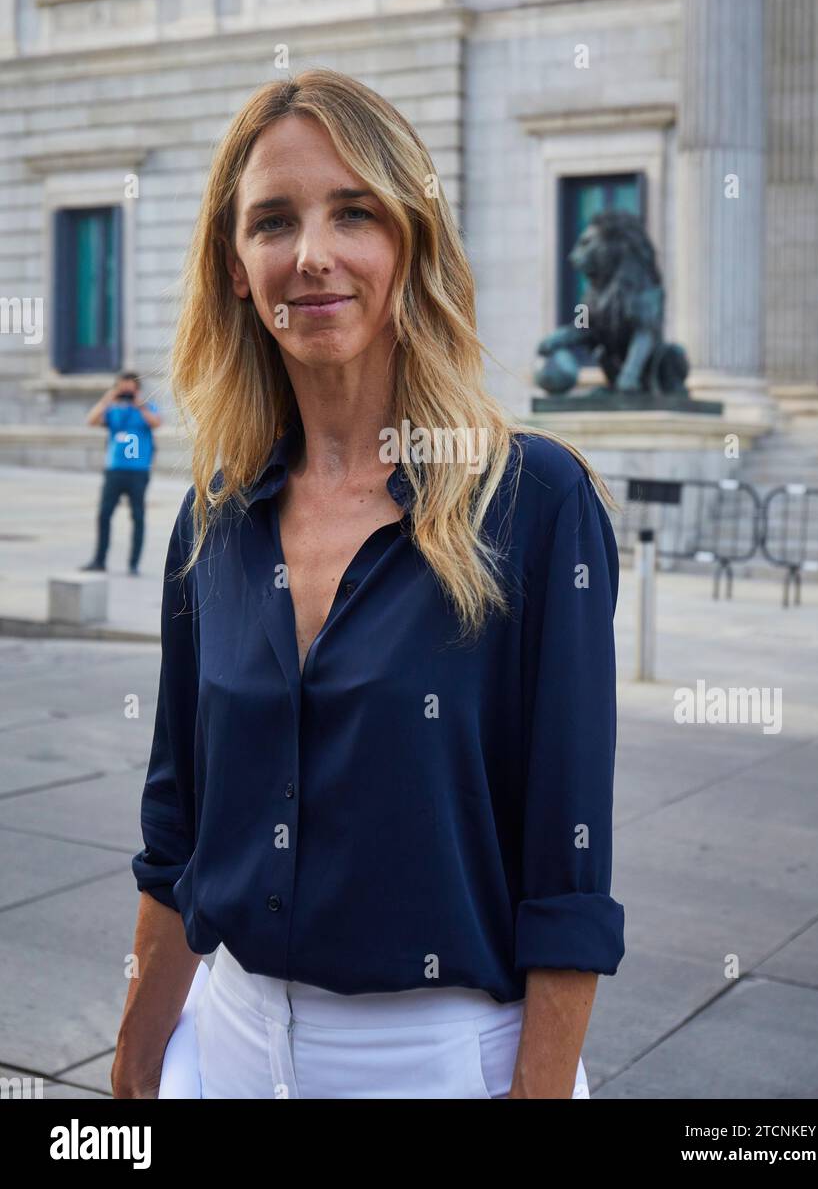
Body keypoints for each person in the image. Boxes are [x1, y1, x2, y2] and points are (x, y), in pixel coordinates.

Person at [112, 68, 625, 1100]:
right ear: (235, 264)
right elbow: (176, 834)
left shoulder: (535, 504)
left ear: (410, 240)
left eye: (352, 211)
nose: (310, 255)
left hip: (439, 1064)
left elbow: (565, 879)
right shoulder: (213, 517)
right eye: (272, 221)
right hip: (220, 1044)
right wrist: (130, 1067)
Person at [81, 372, 161, 575]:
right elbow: (91, 420)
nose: (126, 393)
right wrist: (109, 399)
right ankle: (99, 560)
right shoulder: (113, 410)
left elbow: (156, 423)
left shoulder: (145, 408)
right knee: (104, 514)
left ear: (137, 390)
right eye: (122, 388)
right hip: (114, 470)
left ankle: (134, 564)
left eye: (129, 389)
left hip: (138, 472)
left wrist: (139, 405)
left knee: (138, 516)